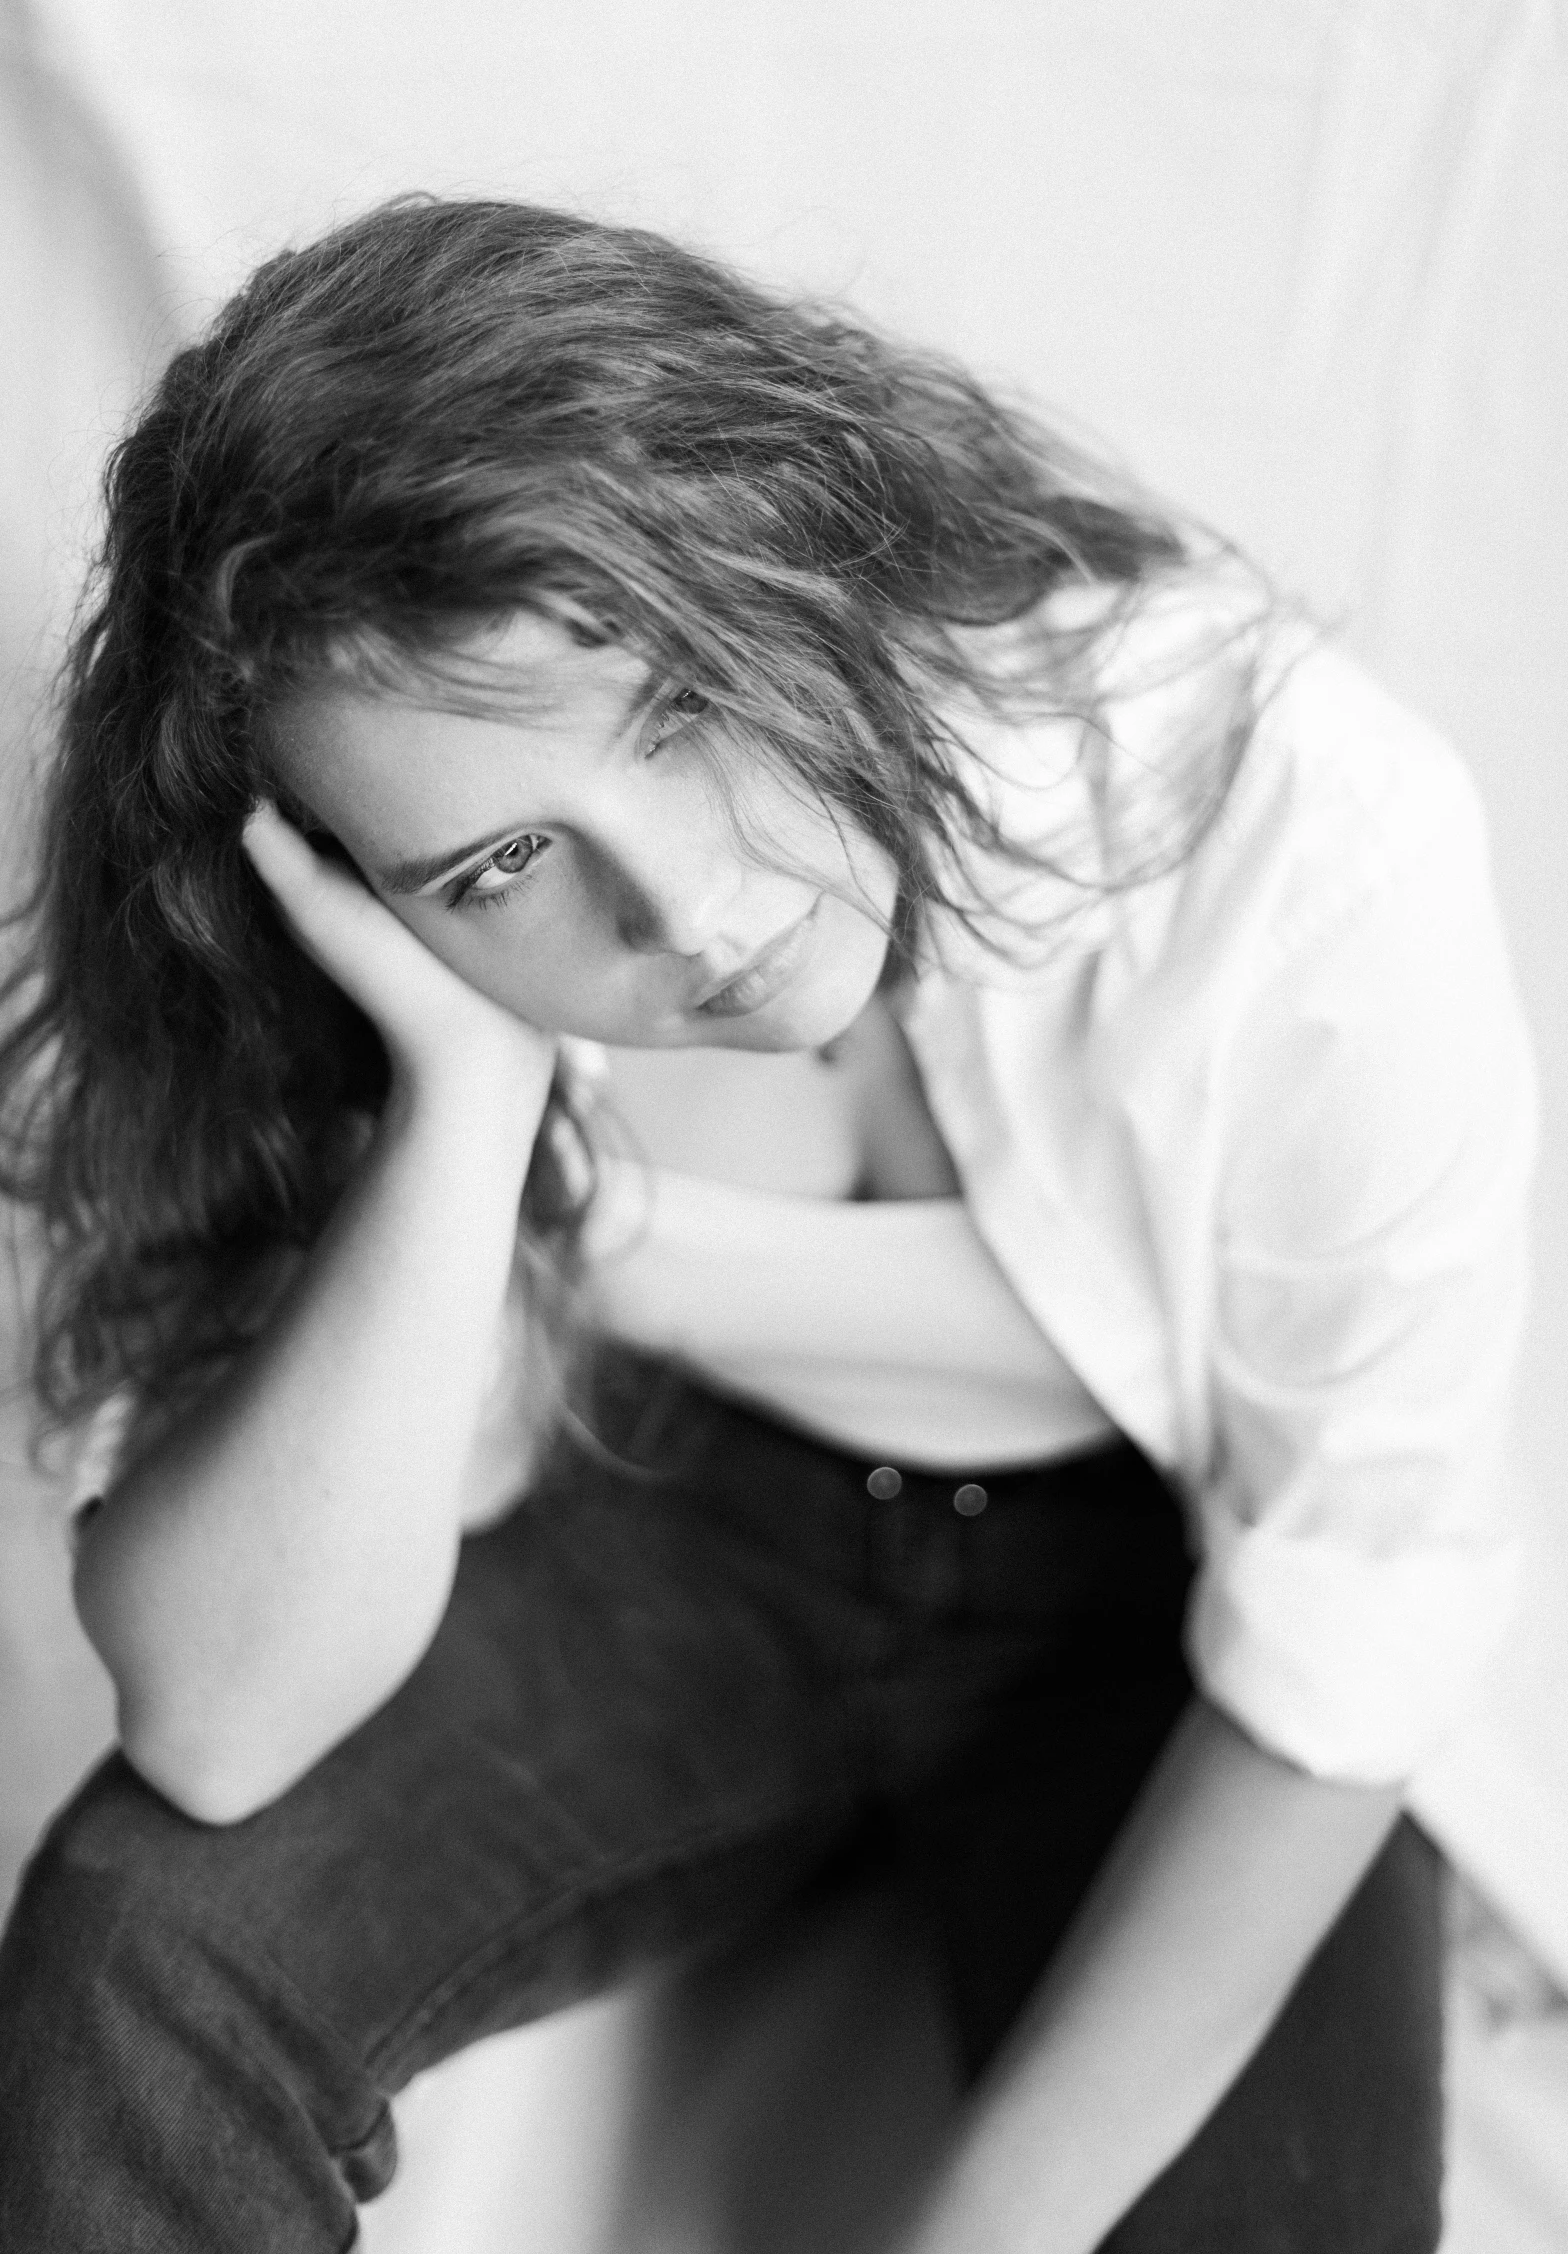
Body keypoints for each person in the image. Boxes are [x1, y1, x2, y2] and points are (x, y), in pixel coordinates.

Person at [0, 196, 1537, 2254]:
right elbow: (217, 1711)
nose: (691, 912)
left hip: (1151, 1611)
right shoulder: (405, 995)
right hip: (689, 1524)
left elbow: (1349, 1626)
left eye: (678, 708)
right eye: (503, 864)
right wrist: (467, 1095)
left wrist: (971, 2235)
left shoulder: (1293, 829)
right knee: (138, 1956)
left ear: (781, 549)